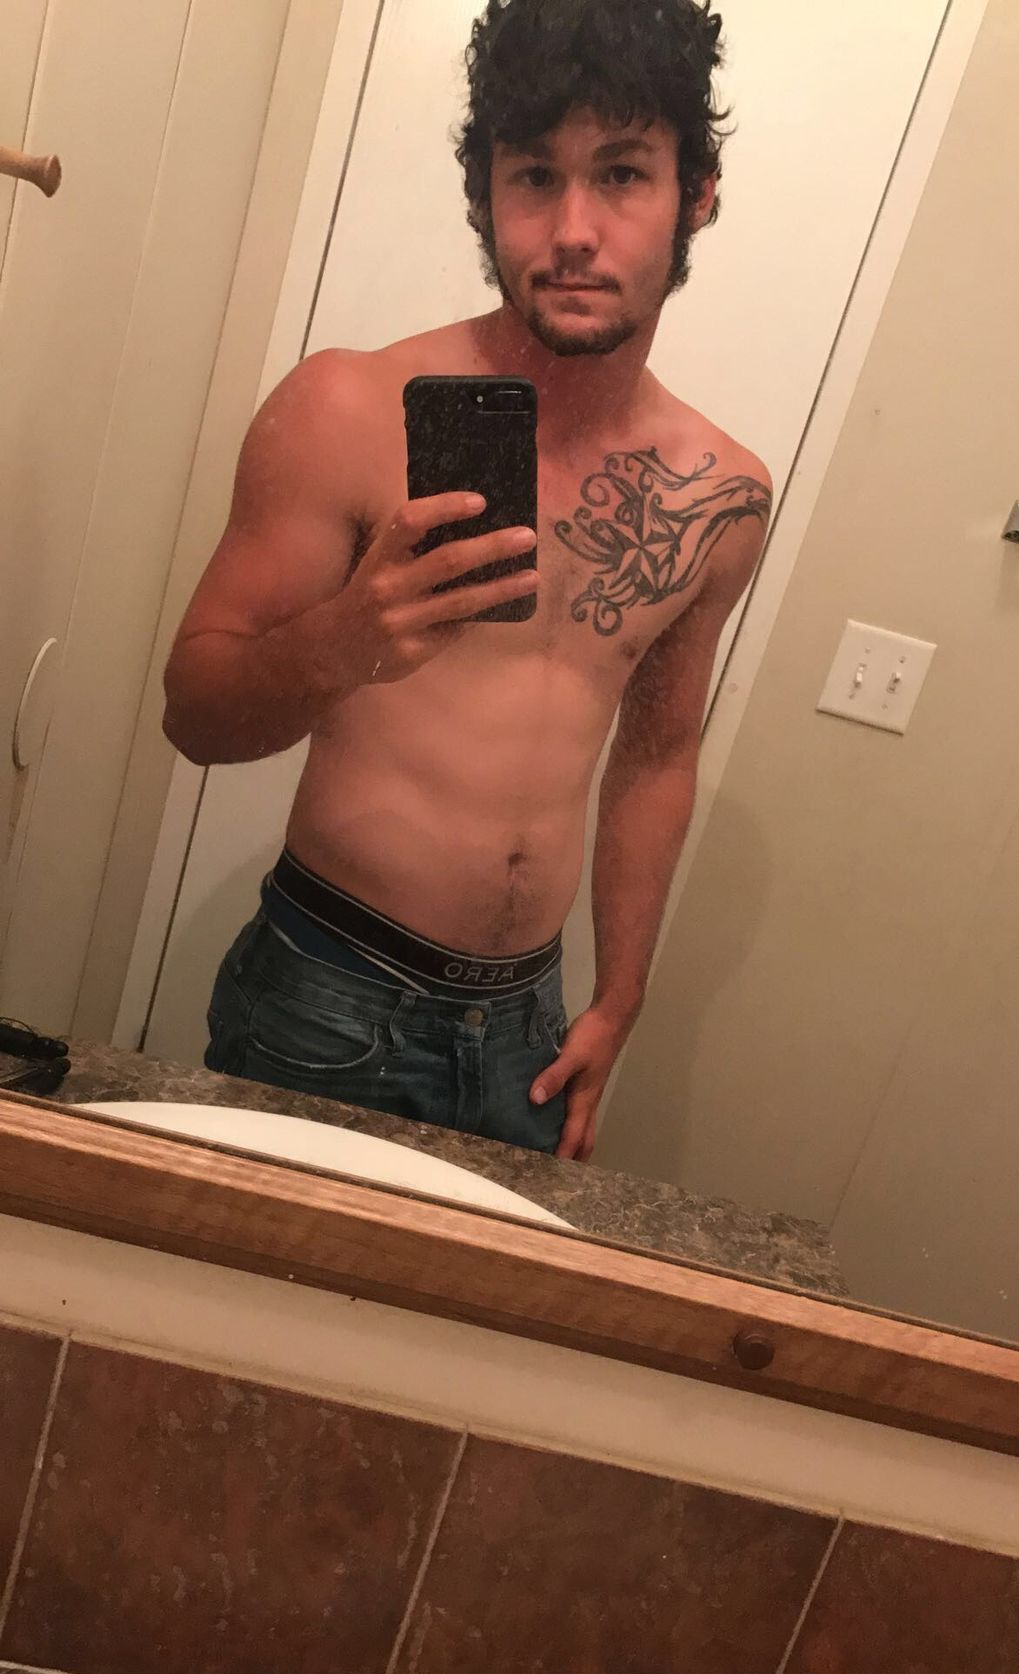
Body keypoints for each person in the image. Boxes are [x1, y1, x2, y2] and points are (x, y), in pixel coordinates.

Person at [163, 0, 772, 1162]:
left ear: (696, 193)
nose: (574, 230)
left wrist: (620, 1000)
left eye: (623, 173)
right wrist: (345, 641)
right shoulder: (346, 410)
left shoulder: (722, 495)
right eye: (535, 175)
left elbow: (657, 756)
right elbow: (194, 713)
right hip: (327, 993)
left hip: (531, 1034)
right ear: (485, 195)